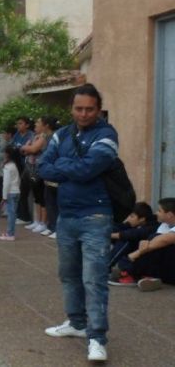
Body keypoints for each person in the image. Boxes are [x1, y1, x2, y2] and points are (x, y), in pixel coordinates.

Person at [38, 83, 118, 362]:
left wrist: (62, 168)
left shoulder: (107, 135)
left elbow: (88, 169)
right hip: (66, 216)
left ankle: (97, 338)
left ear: (98, 109)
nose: (83, 114)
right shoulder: (61, 134)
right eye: (78, 108)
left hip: (95, 216)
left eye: (89, 109)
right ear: (71, 109)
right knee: (69, 275)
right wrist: (71, 169)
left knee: (94, 279)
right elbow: (42, 167)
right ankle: (76, 323)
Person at [110, 198, 175, 291]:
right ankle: (147, 276)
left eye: (159, 211)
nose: (156, 213)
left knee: (156, 241)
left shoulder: (155, 224)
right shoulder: (164, 224)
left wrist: (136, 253)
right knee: (150, 241)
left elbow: (165, 239)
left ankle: (133, 274)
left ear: (169, 215)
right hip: (167, 268)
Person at [23, 116, 55, 234]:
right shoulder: (37, 136)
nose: (35, 124)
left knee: (43, 197)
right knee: (37, 196)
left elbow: (32, 149)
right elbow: (27, 148)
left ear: (46, 125)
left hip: (42, 170)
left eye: (38, 122)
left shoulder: (46, 137)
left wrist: (29, 147)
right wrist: (28, 147)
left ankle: (45, 223)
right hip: (34, 169)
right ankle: (37, 221)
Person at [107, 202, 156, 270]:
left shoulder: (151, 227)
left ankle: (106, 266)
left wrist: (106, 235)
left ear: (142, 219)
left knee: (126, 240)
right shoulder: (137, 223)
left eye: (132, 216)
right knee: (114, 228)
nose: (128, 219)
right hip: (135, 253)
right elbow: (122, 226)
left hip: (146, 257)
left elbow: (132, 234)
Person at [13, 116, 35, 224]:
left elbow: (25, 151)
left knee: (23, 191)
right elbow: (12, 147)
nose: (18, 125)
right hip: (16, 165)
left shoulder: (31, 135)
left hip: (26, 166)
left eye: (21, 123)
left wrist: (21, 149)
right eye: (17, 123)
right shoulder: (17, 135)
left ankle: (24, 216)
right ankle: (19, 213)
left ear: (27, 125)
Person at [0, 146, 22, 241]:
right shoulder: (14, 165)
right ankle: (10, 233)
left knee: (11, 214)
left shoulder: (8, 167)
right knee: (13, 213)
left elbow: (6, 183)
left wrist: (4, 197)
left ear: (7, 154)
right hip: (16, 192)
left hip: (10, 193)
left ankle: (10, 234)